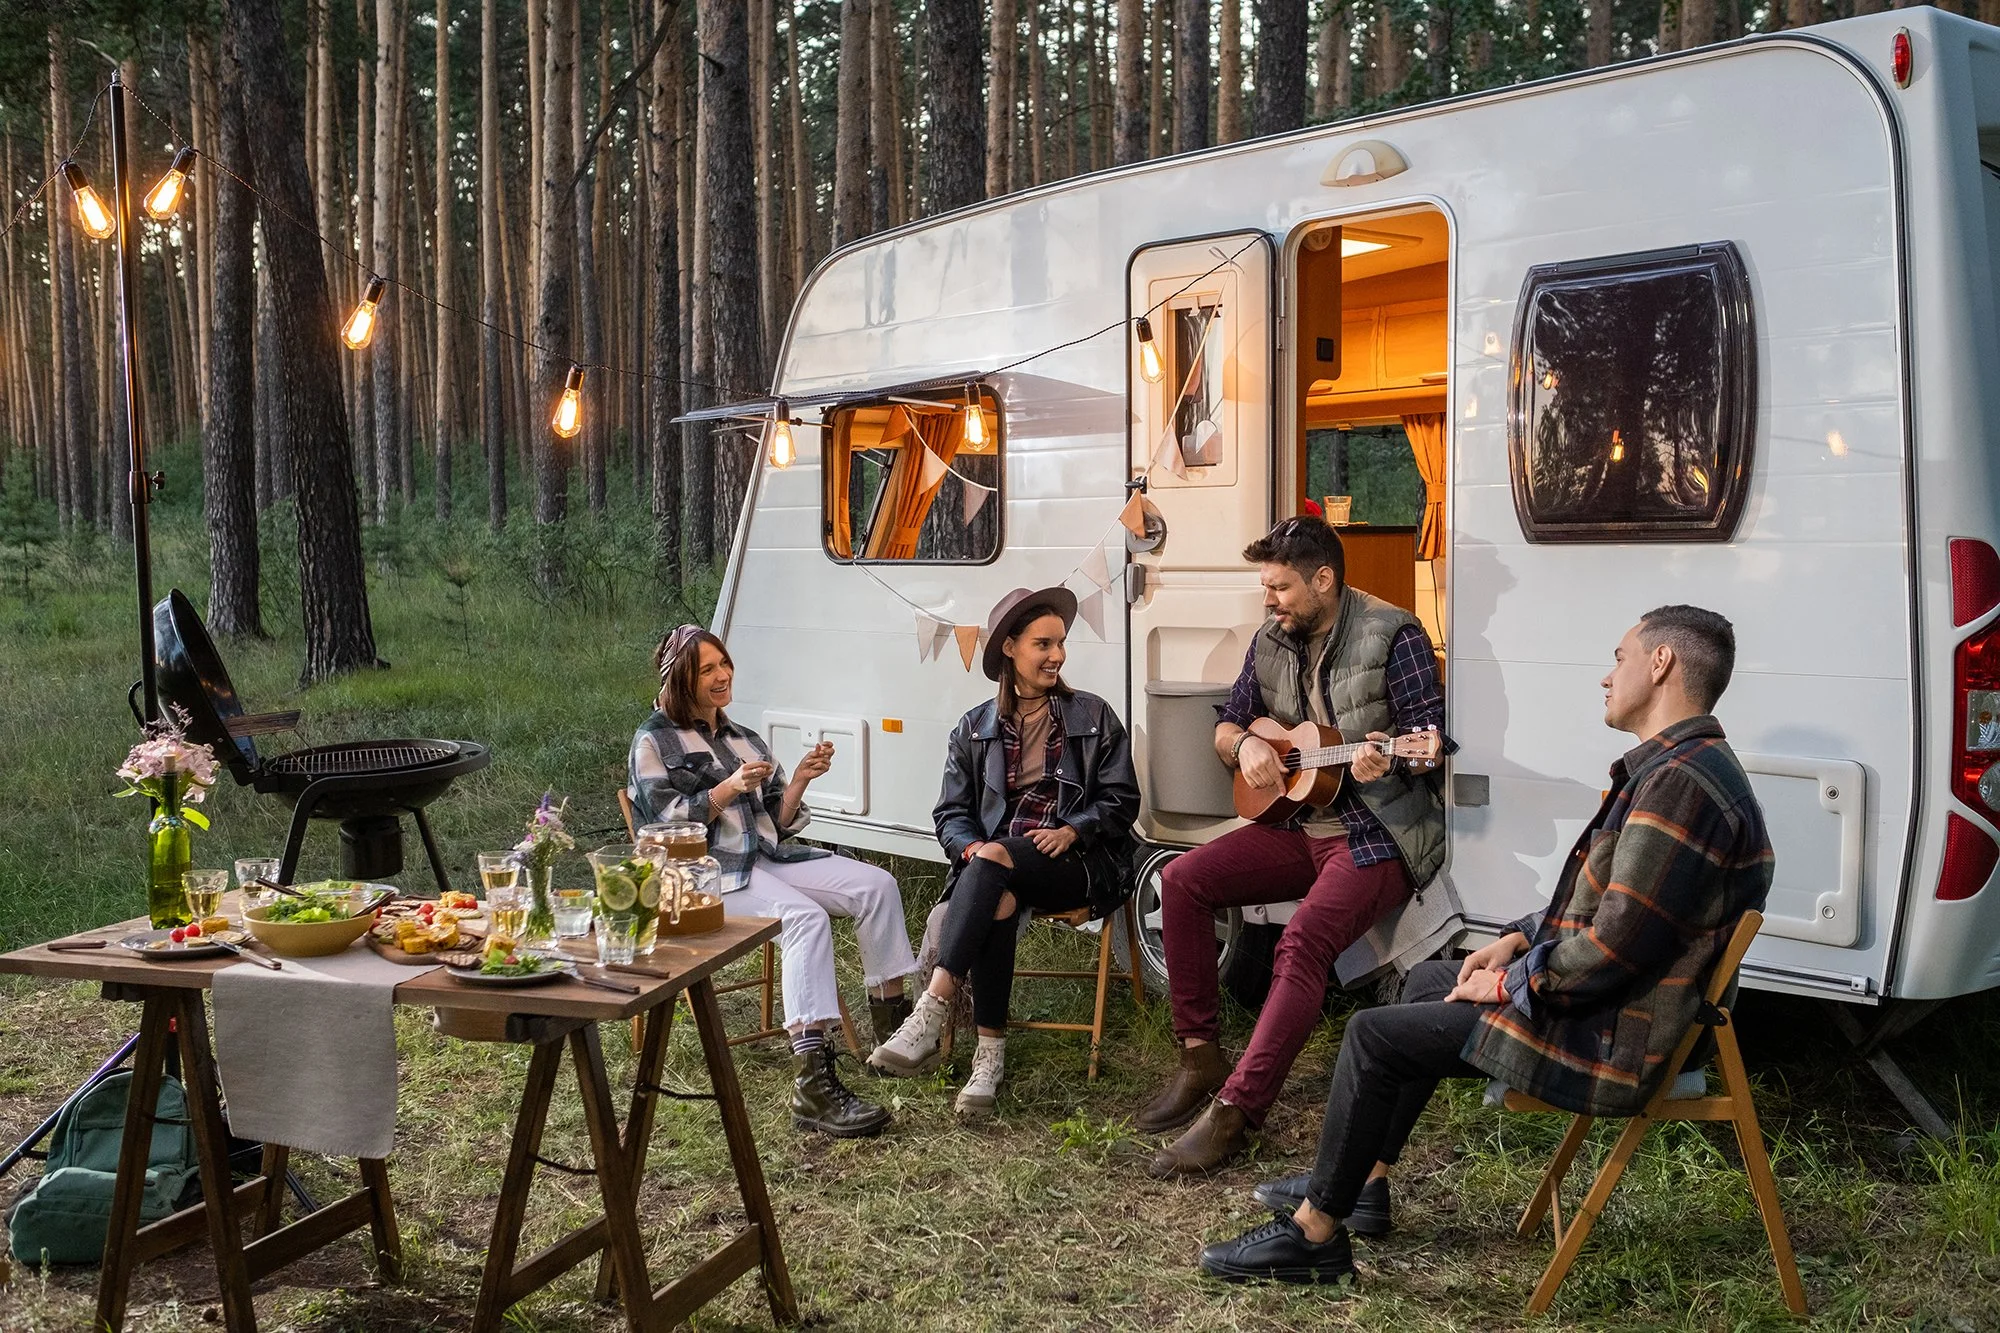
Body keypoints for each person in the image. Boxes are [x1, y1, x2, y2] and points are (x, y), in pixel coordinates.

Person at [1198, 606, 1773, 1285]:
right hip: (1617, 1005)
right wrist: (1518, 939)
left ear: (1661, 664)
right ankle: (1365, 1185)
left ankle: (1316, 1232)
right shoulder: (1679, 767)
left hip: (1620, 1030)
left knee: (1373, 1035)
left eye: (1619, 657)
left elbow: (1617, 945)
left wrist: (1510, 984)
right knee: (1421, 984)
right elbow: (1605, 903)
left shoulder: (1680, 785)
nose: (1604, 676)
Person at [1139, 515, 1450, 1178]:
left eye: (1279, 587)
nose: (1269, 599)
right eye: (1266, 587)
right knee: (1185, 881)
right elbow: (1227, 725)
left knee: (1301, 943)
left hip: (1378, 836)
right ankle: (1200, 1057)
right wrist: (1250, 744)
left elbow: (1430, 745)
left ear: (1324, 579)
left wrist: (1391, 761)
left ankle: (1237, 1112)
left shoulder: (1395, 633)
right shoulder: (1269, 640)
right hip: (1295, 823)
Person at [628, 623, 919, 1139]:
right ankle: (812, 1084)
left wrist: (801, 778)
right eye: (707, 670)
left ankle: (893, 1036)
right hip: (704, 876)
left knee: (878, 886)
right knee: (805, 920)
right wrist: (727, 787)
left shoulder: (742, 737)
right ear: (681, 680)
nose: (722, 677)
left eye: (725, 664)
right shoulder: (654, 740)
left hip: (766, 857)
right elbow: (663, 826)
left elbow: (776, 822)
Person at [869, 588, 1141, 1117]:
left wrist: (1074, 829)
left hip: (1078, 864)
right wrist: (970, 849)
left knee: (995, 861)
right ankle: (988, 1060)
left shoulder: (1093, 716)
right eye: (1043, 644)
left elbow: (1122, 799)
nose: (1057, 655)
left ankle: (932, 1008)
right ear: (1010, 649)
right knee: (997, 897)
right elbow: (951, 815)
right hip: (998, 871)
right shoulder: (972, 730)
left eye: (1061, 643)